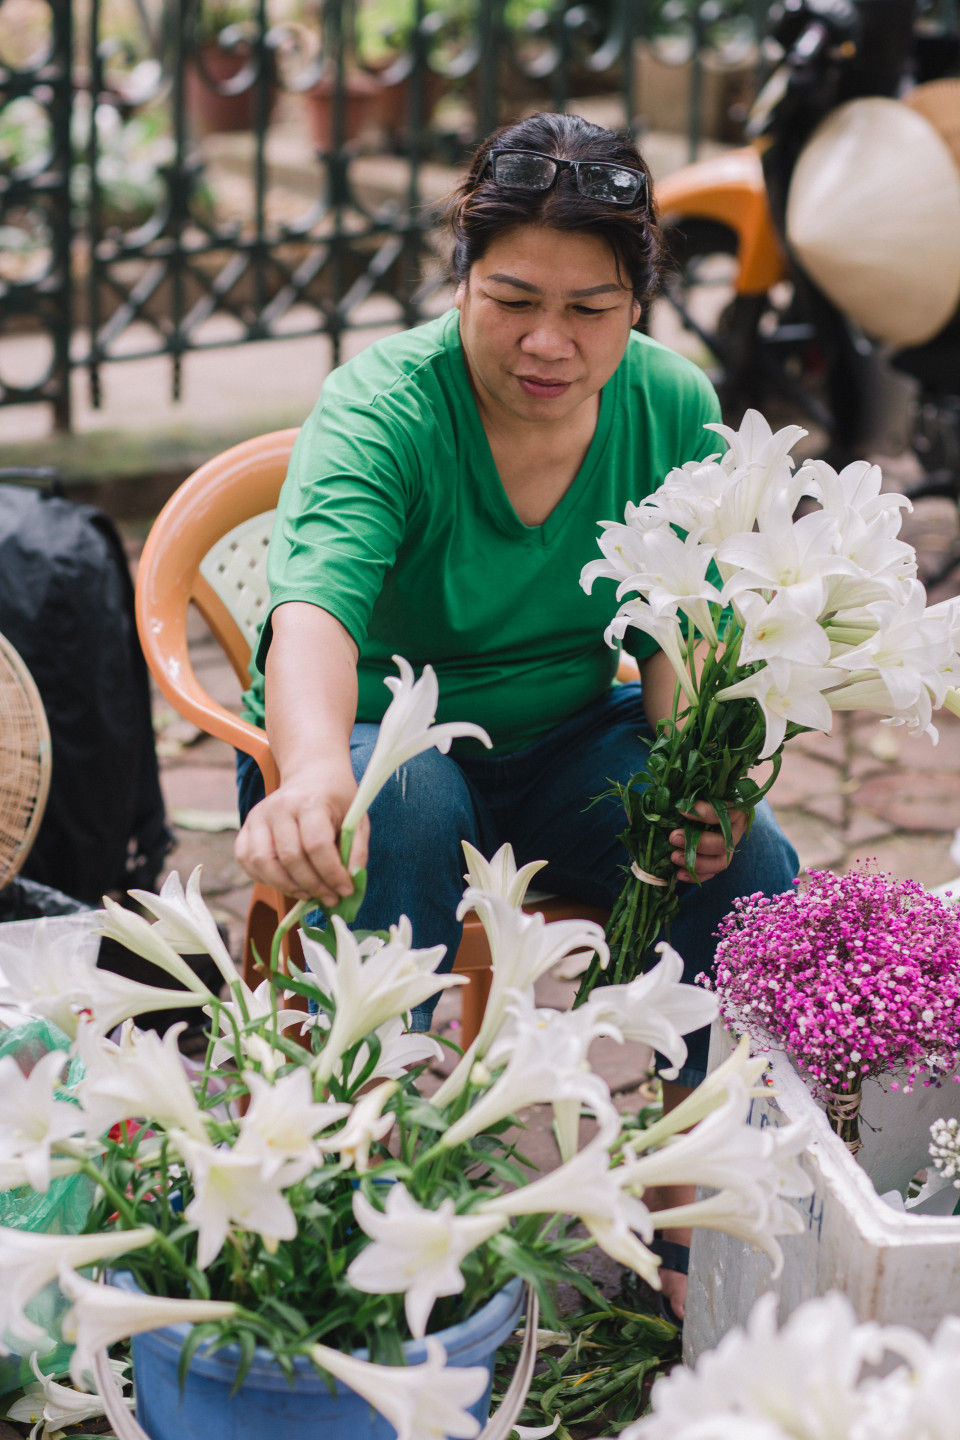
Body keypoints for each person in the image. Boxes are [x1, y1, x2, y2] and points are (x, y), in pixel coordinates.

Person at [234, 111, 799, 1321]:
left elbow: (679, 635)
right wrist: (312, 770)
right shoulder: (382, 403)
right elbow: (316, 607)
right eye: (512, 299)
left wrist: (705, 778)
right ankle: (360, 1191)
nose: (550, 342)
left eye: (590, 308)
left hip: (561, 741)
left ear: (637, 303)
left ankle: (695, 1194)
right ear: (461, 279)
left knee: (754, 861)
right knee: (407, 808)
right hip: (375, 741)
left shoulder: (669, 406)